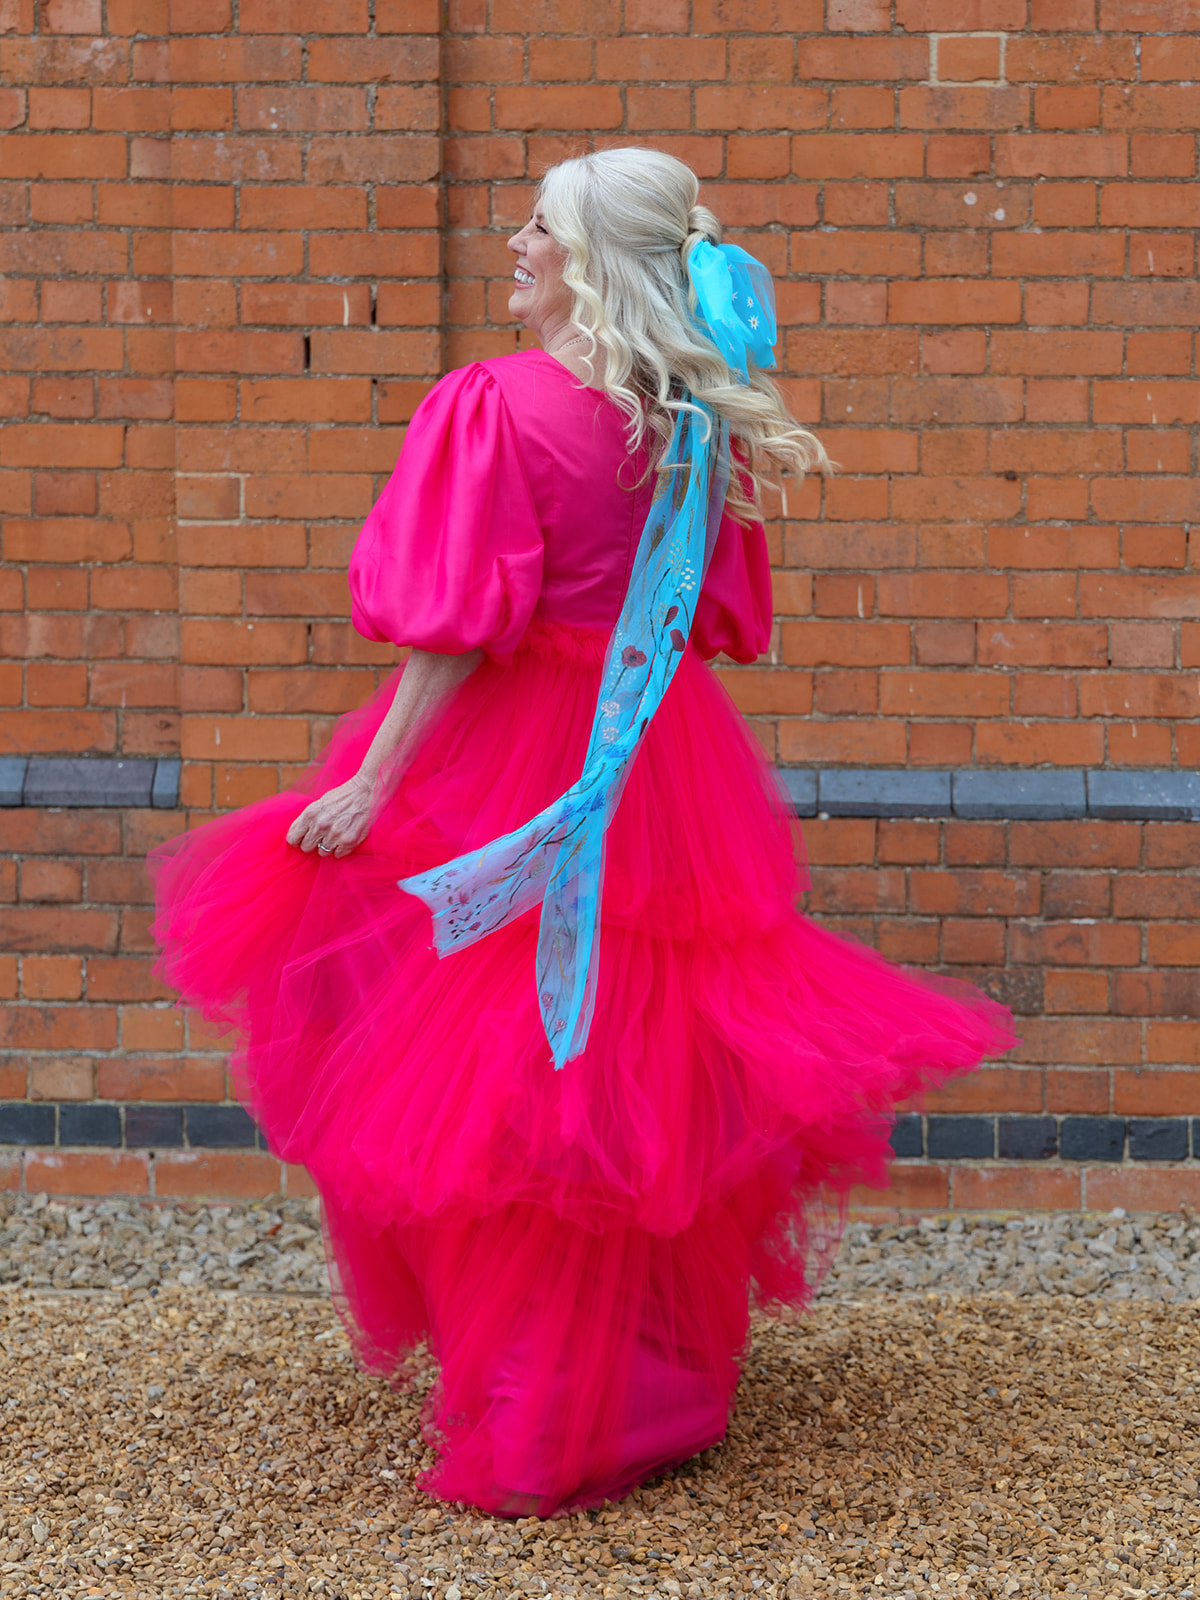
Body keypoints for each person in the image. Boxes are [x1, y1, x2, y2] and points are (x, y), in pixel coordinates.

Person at [150, 147, 1015, 1518]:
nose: (516, 244)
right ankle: (646, 1377)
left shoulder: (489, 406)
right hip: (656, 761)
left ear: (589, 259)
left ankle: (542, 1401)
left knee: (495, 1078)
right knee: (621, 1058)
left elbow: (450, 630)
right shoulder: (684, 418)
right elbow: (713, 622)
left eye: (537, 228)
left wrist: (375, 786)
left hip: (506, 757)